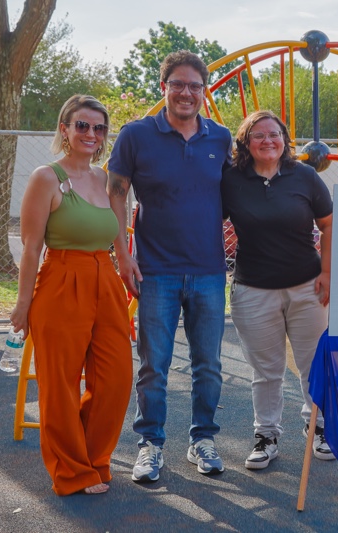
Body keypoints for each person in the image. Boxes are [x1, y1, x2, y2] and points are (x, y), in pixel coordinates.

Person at [107, 50, 232, 482]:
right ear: (164, 87)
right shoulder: (137, 135)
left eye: (195, 86)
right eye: (177, 84)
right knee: (153, 366)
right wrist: (123, 253)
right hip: (155, 270)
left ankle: (203, 439)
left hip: (209, 271)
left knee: (208, 365)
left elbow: (239, 194)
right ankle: (150, 444)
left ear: (204, 91)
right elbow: (116, 192)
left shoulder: (220, 138)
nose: (186, 93)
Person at [10, 95, 132, 496]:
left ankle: (94, 458)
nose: (91, 133)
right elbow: (31, 248)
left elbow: (117, 229)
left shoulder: (104, 178)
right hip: (61, 280)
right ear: (64, 128)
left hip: (106, 280)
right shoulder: (46, 177)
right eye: (82, 125)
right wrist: (22, 305)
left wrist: (125, 261)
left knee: (116, 378)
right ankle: (71, 471)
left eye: (99, 127)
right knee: (60, 385)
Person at [221, 110, 334, 469]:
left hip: (306, 287)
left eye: (274, 134)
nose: (267, 141)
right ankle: (266, 435)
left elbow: (329, 224)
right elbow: (205, 220)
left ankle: (319, 426)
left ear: (285, 140)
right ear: (245, 142)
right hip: (254, 289)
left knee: (313, 363)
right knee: (267, 369)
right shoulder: (232, 180)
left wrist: (327, 270)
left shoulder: (304, 176)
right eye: (258, 135)